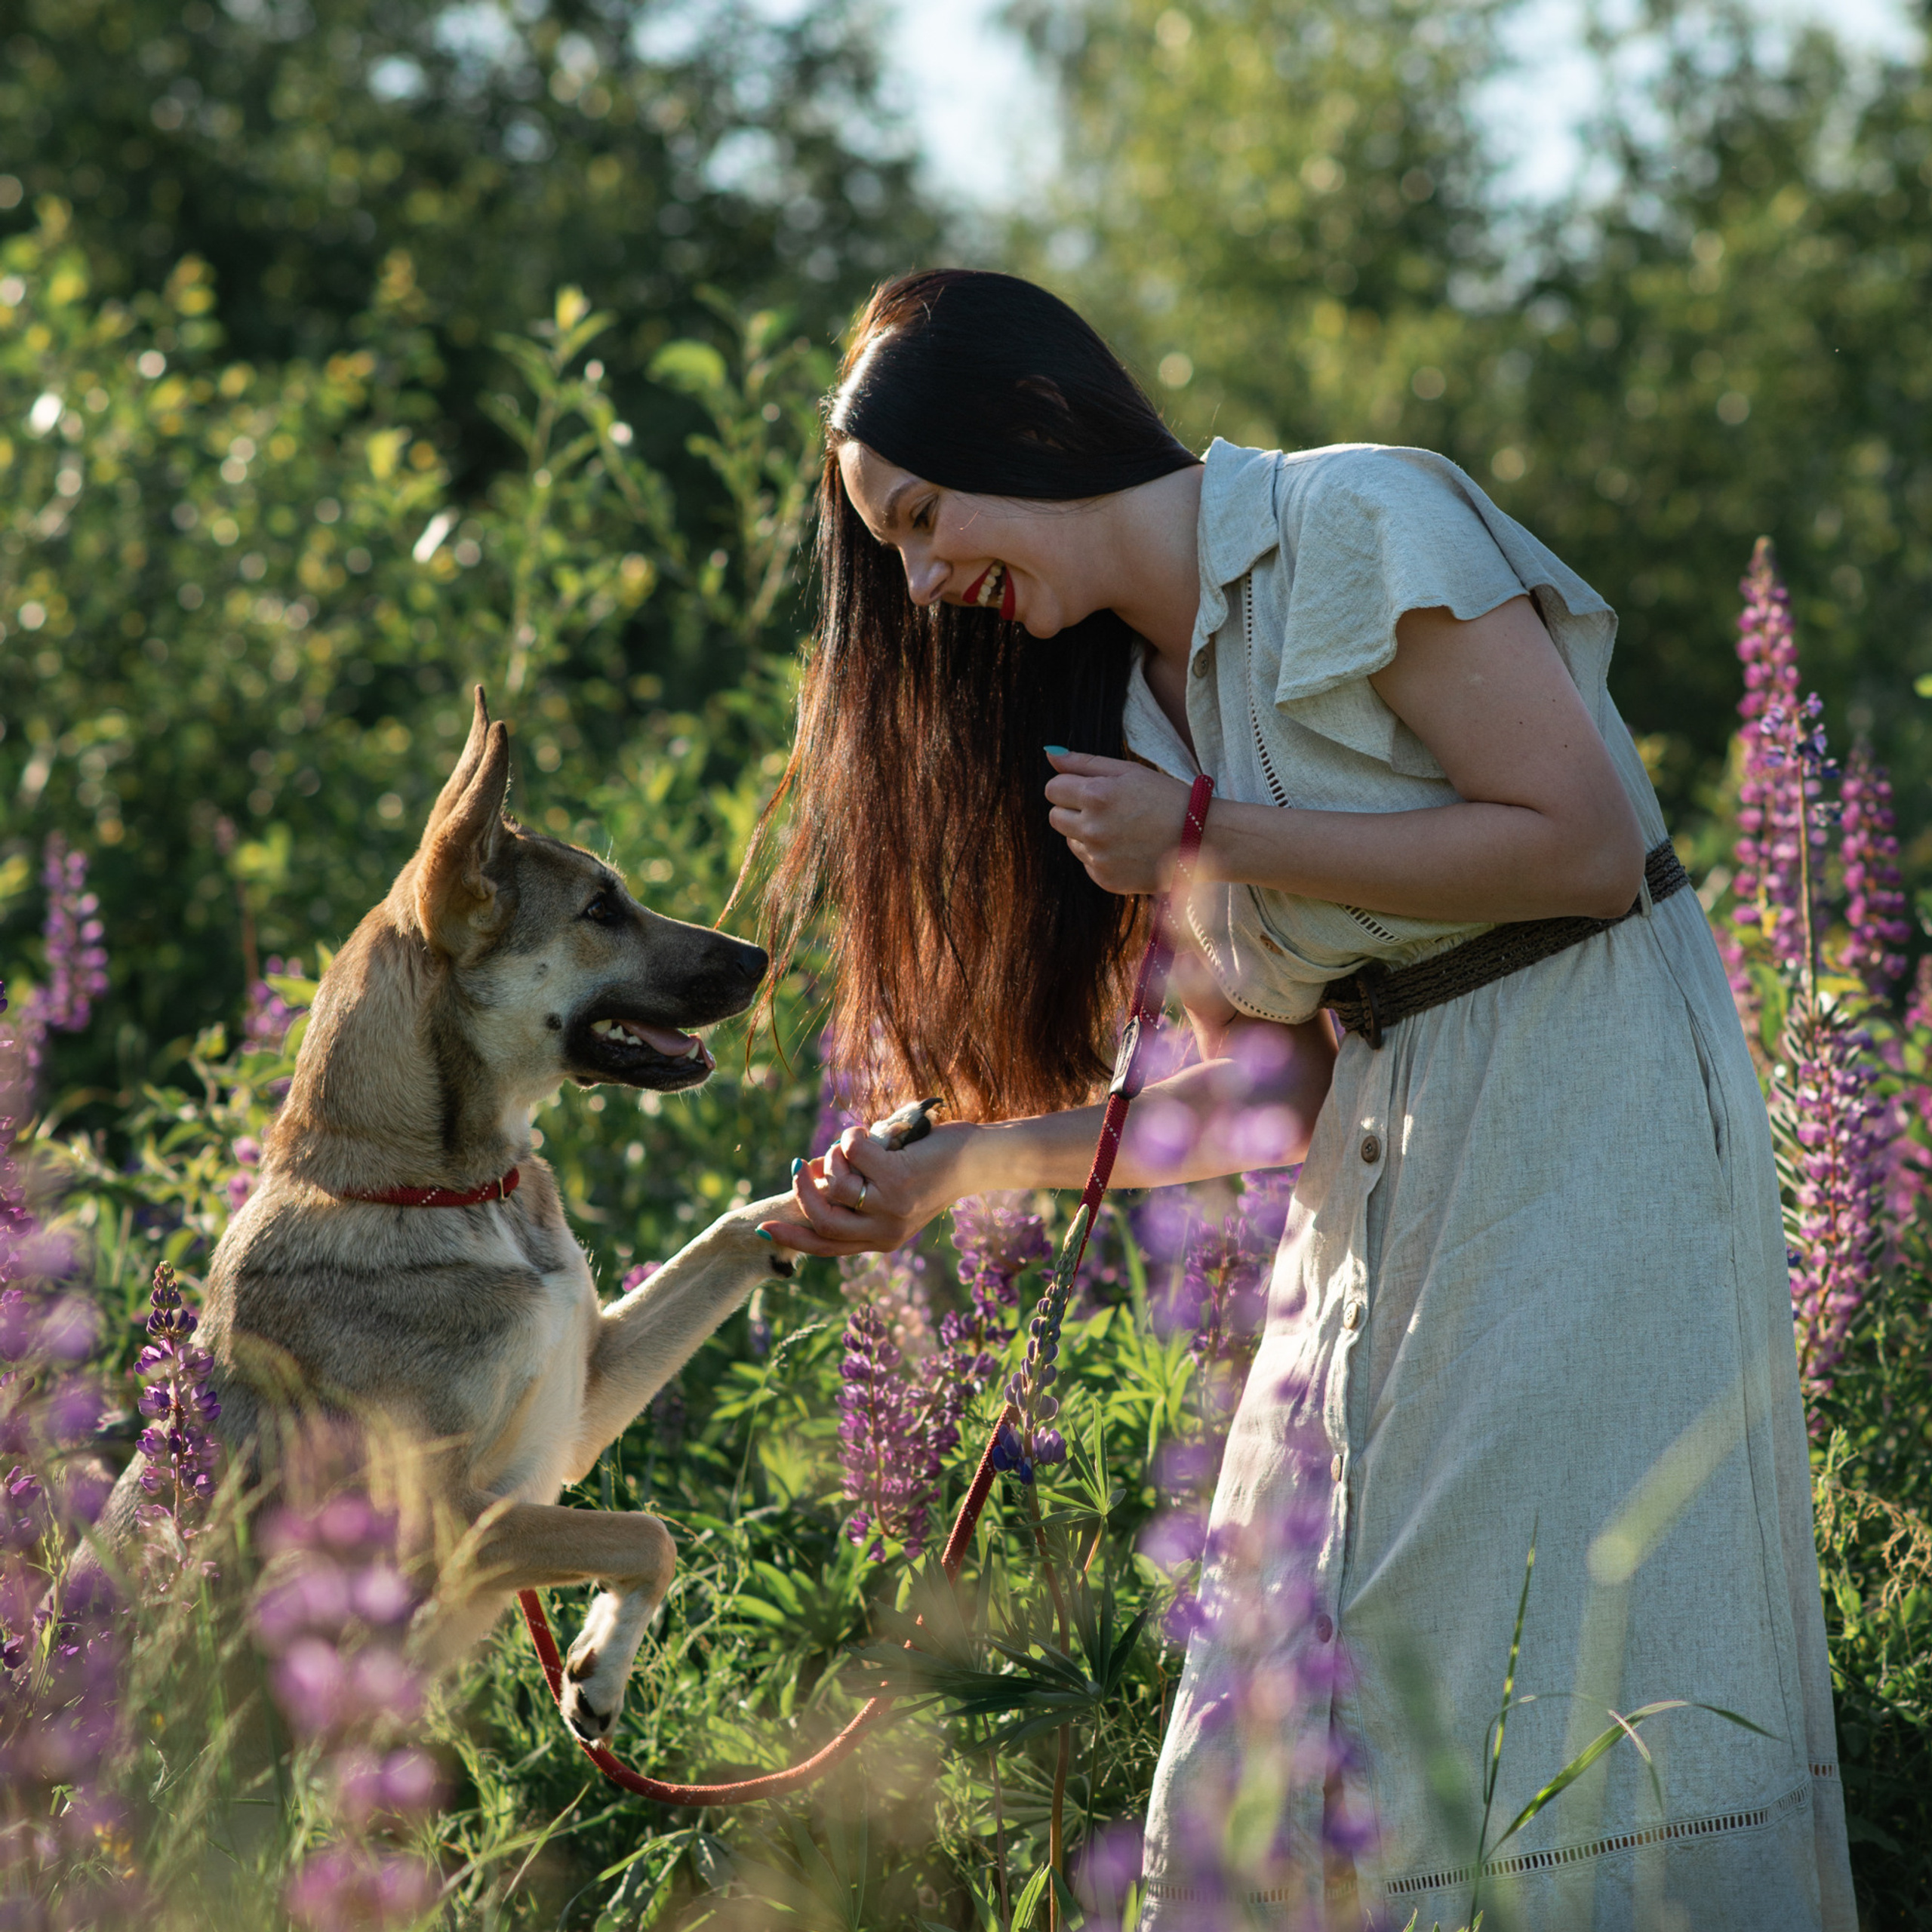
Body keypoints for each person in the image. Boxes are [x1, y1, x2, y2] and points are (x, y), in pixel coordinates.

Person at [751, 268, 1854, 1930]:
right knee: (1274, 1697)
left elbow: (1583, 844)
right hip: (1380, 1175)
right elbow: (1275, 1085)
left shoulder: (1353, 519)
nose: (919, 580)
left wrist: (1204, 828)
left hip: (1588, 1105)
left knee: (1538, 1673)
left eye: (920, 517)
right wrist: (965, 1169)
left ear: (1027, 424)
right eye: (892, 551)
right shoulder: (1122, 702)